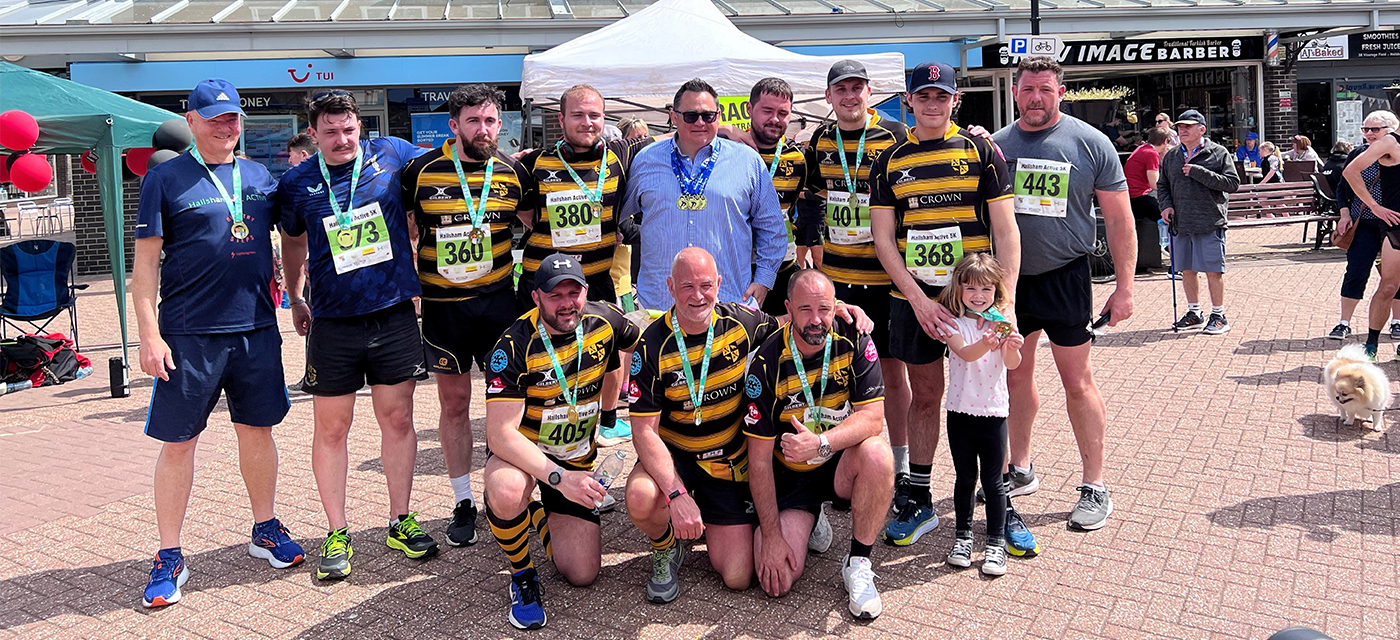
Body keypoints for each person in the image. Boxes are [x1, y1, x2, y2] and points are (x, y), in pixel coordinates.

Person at [133, 79, 303, 608]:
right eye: (215, 118)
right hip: (188, 334)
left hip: (255, 329)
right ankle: (169, 554)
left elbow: (295, 234)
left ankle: (265, 527)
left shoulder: (258, 176)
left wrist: (298, 295)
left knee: (258, 433)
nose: (227, 127)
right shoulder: (164, 178)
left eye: (233, 119)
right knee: (179, 442)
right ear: (191, 119)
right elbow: (144, 270)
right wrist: (148, 334)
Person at [623, 247, 872, 604]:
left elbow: (796, 320)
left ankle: (792, 514)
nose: (697, 296)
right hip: (675, 456)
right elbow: (643, 431)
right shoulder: (652, 345)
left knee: (739, 576)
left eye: (706, 285)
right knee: (641, 496)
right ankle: (665, 548)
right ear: (670, 287)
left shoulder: (740, 322)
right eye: (687, 286)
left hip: (728, 461)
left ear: (719, 284)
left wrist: (840, 309)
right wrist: (675, 493)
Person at [277, 90, 436, 580]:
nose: (342, 139)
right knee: (331, 428)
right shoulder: (298, 181)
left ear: (359, 127)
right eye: (331, 132)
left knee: (398, 420)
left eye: (349, 129)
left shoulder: (392, 154)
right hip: (333, 321)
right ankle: (336, 530)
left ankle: (400, 518)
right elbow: (292, 241)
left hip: (391, 314)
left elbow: (447, 168)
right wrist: (295, 296)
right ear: (314, 134)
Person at [866, 61, 1020, 549]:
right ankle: (920, 498)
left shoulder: (980, 149)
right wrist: (917, 299)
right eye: (923, 95)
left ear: (955, 100)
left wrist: (1006, 301)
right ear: (908, 101)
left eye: (941, 96)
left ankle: (1001, 501)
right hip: (915, 301)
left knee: (989, 396)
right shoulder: (888, 160)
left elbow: (1005, 229)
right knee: (927, 396)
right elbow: (883, 238)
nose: (932, 103)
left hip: (976, 299)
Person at [990, 55, 1136, 531]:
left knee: (1077, 381)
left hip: (1066, 276)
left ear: (1060, 92)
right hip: (1010, 282)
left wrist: (1125, 287)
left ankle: (1094, 484)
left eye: (1045, 90)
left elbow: (1118, 220)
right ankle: (1021, 466)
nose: (1036, 98)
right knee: (1014, 377)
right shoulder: (996, 145)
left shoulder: (1091, 143)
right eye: (1028, 89)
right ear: (1015, 92)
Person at [399, 84, 536, 548]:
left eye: (492, 121)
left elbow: (536, 224)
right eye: (474, 121)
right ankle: (462, 500)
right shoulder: (419, 171)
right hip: (444, 311)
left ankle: (522, 489)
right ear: (454, 125)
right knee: (455, 405)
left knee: (514, 404)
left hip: (500, 306)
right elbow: (402, 227)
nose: (484, 130)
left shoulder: (513, 173)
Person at [481, 253, 641, 630]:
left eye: (575, 292)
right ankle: (522, 575)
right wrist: (559, 479)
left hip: (576, 458)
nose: (567, 303)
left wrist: (616, 406)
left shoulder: (605, 320)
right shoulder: (513, 346)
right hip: (523, 455)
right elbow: (499, 433)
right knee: (506, 491)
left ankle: (537, 516)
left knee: (583, 573)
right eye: (556, 295)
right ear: (537, 297)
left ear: (586, 292)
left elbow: (644, 338)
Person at [743, 268, 892, 618]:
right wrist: (773, 535)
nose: (816, 320)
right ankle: (809, 517)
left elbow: (874, 417)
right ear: (788, 308)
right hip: (789, 476)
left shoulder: (854, 336)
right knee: (775, 581)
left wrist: (822, 443)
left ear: (836, 306)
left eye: (824, 309)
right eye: (805, 309)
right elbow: (759, 461)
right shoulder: (766, 361)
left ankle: (858, 563)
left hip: (834, 463)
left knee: (877, 454)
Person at [516, 85, 657, 446]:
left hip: (596, 279)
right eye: (578, 115)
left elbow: (673, 135)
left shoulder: (619, 156)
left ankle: (608, 421)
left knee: (609, 353)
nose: (587, 122)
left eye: (594, 114)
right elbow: (526, 212)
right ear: (561, 119)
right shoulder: (535, 163)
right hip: (542, 282)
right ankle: (529, 428)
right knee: (539, 359)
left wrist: (732, 131)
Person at [804, 59, 914, 508]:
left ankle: (901, 462)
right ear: (828, 96)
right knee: (839, 374)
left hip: (885, 279)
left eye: (858, 88)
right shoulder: (820, 139)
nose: (850, 96)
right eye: (841, 90)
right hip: (840, 281)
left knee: (891, 370)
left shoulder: (895, 134)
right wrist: (808, 256)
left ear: (871, 92)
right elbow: (812, 199)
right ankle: (846, 460)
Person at [619, 78, 786, 310]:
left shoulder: (747, 162)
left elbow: (773, 229)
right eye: (690, 116)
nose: (700, 122)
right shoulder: (646, 161)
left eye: (708, 116)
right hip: (660, 305)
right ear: (674, 117)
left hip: (728, 304)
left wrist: (764, 281)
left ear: (718, 117)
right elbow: (614, 215)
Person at [935, 253, 1023, 576]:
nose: (978, 295)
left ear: (996, 290)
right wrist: (989, 343)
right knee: (965, 478)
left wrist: (1011, 344)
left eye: (986, 289)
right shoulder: (953, 324)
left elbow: (1012, 364)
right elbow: (966, 353)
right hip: (960, 412)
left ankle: (997, 542)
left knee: (995, 481)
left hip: (995, 414)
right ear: (958, 289)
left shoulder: (1003, 322)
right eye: (971, 288)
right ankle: (963, 536)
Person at [1159, 109, 1241, 336]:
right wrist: (1165, 205)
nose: (1181, 130)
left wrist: (1198, 172)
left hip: (1209, 221)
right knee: (1186, 269)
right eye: (1179, 127)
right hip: (1181, 222)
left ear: (1201, 129)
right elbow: (1162, 185)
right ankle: (1194, 312)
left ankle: (1218, 315)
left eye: (1187, 126)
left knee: (1214, 270)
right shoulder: (1172, 156)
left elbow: (1232, 183)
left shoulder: (1218, 153)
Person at [1331, 112, 1400, 346]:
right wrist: (1345, 213)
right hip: (1368, 221)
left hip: (1391, 222)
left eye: (1375, 130)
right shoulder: (1360, 154)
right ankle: (1345, 322)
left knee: (1393, 280)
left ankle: (1396, 322)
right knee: (1358, 270)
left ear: (1391, 128)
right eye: (1365, 130)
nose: (1369, 134)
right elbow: (1343, 185)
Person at [747, 77, 811, 317]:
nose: (775, 119)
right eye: (767, 110)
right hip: (738, 272)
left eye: (783, 113)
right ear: (749, 109)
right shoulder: (728, 149)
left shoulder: (798, 159)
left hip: (782, 270)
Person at [1125, 127, 1172, 221]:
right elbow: (1155, 184)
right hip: (1139, 196)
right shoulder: (1151, 153)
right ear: (1165, 141)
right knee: (1169, 215)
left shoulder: (1142, 148)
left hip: (1130, 195)